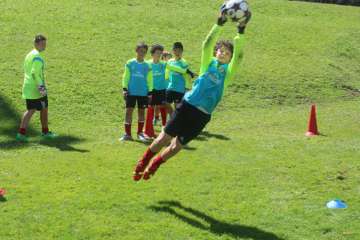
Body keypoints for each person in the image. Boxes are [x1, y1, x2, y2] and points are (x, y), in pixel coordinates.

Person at [132, 11, 251, 181]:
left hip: (202, 115)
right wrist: (219, 23)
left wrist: (240, 31)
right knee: (163, 138)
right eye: (221, 51)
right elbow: (207, 44)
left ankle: (155, 164)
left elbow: (239, 56)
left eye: (227, 53)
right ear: (215, 53)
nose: (224, 53)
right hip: (187, 106)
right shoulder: (207, 64)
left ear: (230, 58)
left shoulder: (228, 73)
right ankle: (143, 162)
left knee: (176, 147)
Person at [144, 45, 192, 138]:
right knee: (150, 110)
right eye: (157, 53)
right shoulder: (147, 64)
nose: (158, 55)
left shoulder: (163, 64)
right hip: (151, 90)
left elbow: (176, 68)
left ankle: (160, 128)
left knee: (161, 107)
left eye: (160, 53)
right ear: (152, 54)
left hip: (161, 90)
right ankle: (147, 131)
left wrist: (187, 71)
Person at [16, 34, 56, 142]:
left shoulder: (30, 54)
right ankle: (45, 132)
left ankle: (21, 134)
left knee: (31, 110)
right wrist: (41, 88)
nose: (44, 46)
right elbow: (34, 73)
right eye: (42, 44)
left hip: (28, 87)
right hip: (36, 89)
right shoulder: (37, 56)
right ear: (36, 44)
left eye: (45, 43)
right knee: (44, 108)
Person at [120, 42, 153, 142]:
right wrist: (125, 88)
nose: (142, 53)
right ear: (136, 51)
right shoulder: (130, 63)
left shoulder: (147, 66)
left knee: (141, 112)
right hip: (131, 92)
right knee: (128, 112)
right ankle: (127, 134)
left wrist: (150, 92)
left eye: (144, 51)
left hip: (143, 93)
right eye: (140, 51)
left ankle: (140, 133)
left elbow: (150, 80)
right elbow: (126, 77)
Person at [165, 42, 195, 117]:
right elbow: (167, 73)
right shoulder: (170, 61)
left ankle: (175, 122)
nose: (177, 52)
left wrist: (187, 88)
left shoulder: (184, 63)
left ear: (182, 51)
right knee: (165, 102)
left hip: (180, 89)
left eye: (179, 51)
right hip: (170, 87)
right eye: (175, 50)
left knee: (178, 108)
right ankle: (172, 116)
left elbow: (188, 76)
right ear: (173, 51)